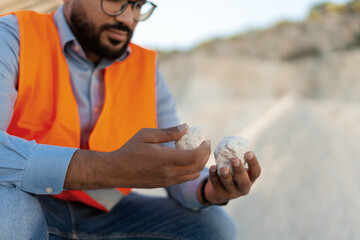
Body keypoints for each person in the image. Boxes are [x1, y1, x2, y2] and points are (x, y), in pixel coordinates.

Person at [0, 0, 261, 239]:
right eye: (115, 1)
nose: (128, 18)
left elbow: (173, 162)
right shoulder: (12, 35)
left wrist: (207, 189)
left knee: (213, 226)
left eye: (138, 5)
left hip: (106, 213)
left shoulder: (145, 67)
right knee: (8, 212)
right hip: (27, 201)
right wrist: (108, 168)